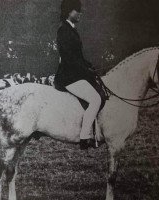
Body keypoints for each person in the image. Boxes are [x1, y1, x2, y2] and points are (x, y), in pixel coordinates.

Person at [54, 0, 102, 150]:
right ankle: (84, 137)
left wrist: (89, 66)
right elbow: (69, 58)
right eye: (77, 10)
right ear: (69, 12)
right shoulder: (64, 31)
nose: (80, 13)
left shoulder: (72, 29)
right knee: (95, 100)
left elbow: (78, 57)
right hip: (68, 76)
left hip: (75, 74)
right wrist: (85, 70)